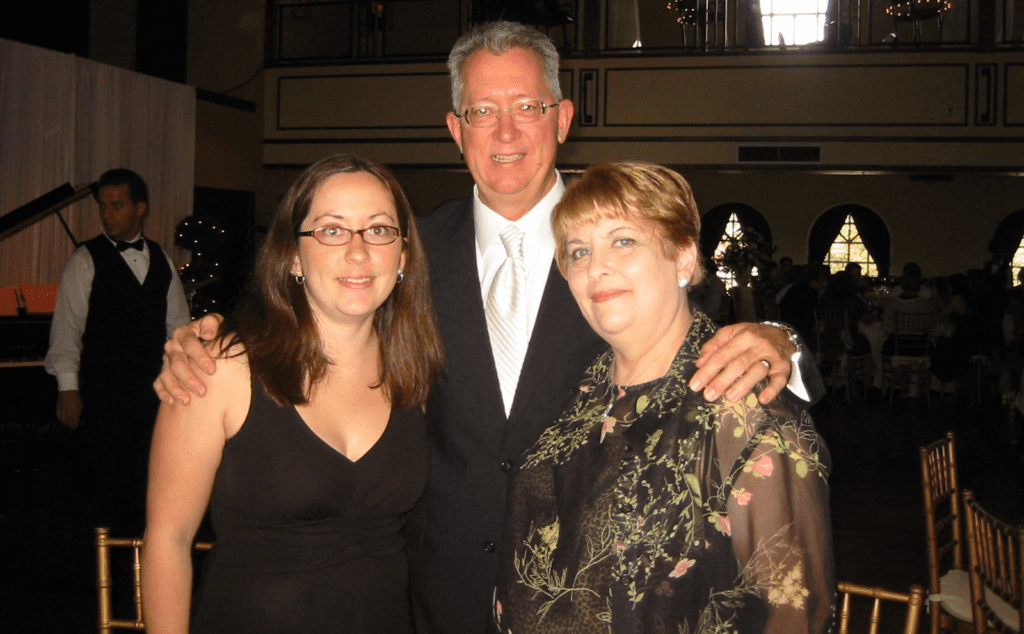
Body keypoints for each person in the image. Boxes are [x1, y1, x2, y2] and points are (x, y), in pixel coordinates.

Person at [153, 22, 823, 634]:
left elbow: (707, 339)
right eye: (482, 112)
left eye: (527, 108)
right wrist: (204, 338)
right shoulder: (406, 254)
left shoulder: (615, 245)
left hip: (588, 599)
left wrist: (781, 343)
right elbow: (316, 309)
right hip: (424, 599)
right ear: (455, 127)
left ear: (561, 118)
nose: (505, 133)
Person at [493, 162, 834, 633]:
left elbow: (795, 614)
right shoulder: (582, 386)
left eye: (623, 240)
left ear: (683, 257)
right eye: (578, 251)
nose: (596, 267)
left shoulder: (742, 412)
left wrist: (784, 339)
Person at [141, 154, 444, 634]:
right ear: (293, 256)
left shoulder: (418, 374)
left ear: (403, 256)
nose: (359, 251)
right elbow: (168, 541)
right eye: (331, 230)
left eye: (380, 229)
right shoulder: (220, 367)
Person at [45, 168, 189, 533]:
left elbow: (178, 330)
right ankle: (105, 571)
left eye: (117, 205)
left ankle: (142, 568)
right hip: (103, 396)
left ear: (141, 208)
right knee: (105, 488)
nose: (107, 214)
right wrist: (68, 389)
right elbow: (66, 330)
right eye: (103, 206)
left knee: (147, 484)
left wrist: (181, 380)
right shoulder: (85, 260)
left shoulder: (161, 258)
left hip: (152, 396)